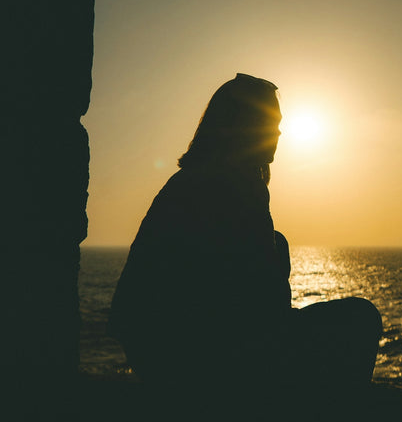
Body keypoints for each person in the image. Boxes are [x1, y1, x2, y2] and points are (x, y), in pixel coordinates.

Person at [108, 74, 382, 399]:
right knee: (361, 318)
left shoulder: (188, 181)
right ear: (239, 126)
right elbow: (264, 311)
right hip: (197, 361)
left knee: (278, 245)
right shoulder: (233, 186)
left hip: (156, 357)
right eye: (269, 122)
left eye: (279, 123)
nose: (279, 132)